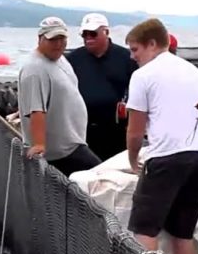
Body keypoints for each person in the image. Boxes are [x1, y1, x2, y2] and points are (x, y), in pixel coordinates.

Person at [123, 18, 198, 254]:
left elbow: (135, 129)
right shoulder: (193, 72)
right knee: (182, 232)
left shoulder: (143, 76)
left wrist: (133, 160)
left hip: (165, 157)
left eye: (135, 49)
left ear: (152, 44)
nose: (132, 56)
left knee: (145, 229)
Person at [13, 16, 100, 177]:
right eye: (53, 39)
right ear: (40, 39)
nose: (59, 44)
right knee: (99, 177)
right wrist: (39, 144)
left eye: (62, 38)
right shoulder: (34, 69)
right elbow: (36, 110)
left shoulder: (59, 58)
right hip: (59, 152)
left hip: (73, 142)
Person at [67, 13, 139, 160]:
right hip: (83, 130)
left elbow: (138, 90)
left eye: (92, 34)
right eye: (84, 34)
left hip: (116, 130)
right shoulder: (73, 59)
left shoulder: (125, 58)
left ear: (106, 32)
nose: (88, 38)